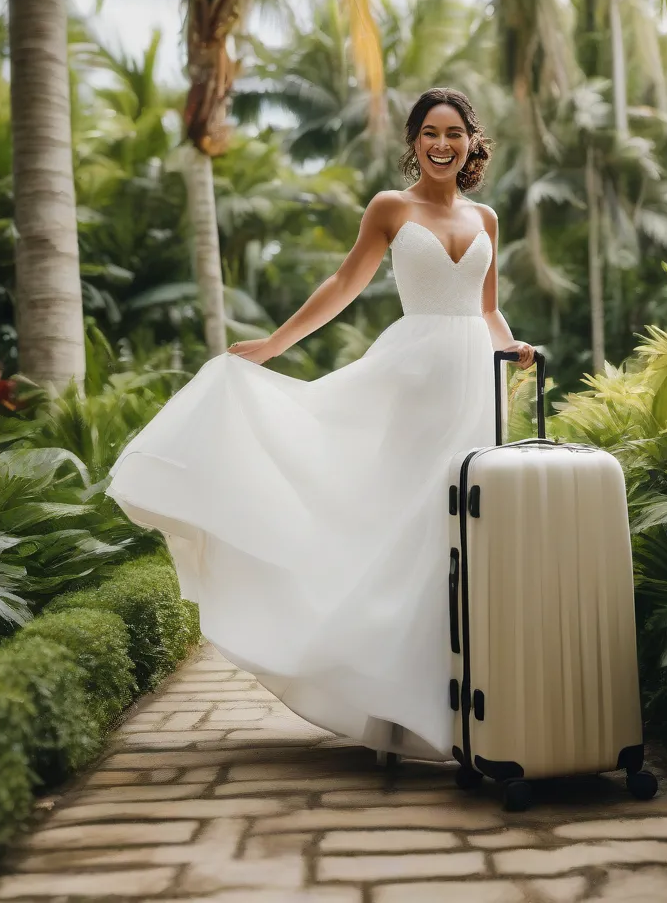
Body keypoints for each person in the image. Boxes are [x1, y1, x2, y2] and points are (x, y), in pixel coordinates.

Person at [106, 87, 536, 762]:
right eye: (429, 132)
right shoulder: (391, 209)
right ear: (414, 140)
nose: (441, 144)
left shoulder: (486, 217)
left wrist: (515, 348)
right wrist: (274, 346)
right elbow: (343, 284)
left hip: (474, 389)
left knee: (465, 536)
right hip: (412, 383)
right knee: (410, 529)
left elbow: (486, 310)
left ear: (472, 141)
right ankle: (392, 710)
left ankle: (460, 706)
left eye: (453, 132)